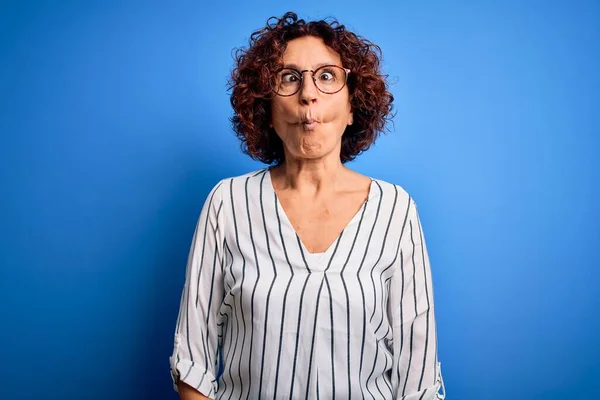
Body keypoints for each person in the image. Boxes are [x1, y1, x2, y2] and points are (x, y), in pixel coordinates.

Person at [169, 11, 445, 400]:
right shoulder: (227, 203)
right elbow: (192, 364)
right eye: (289, 78)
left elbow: (419, 379)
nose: (308, 93)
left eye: (327, 76)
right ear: (267, 108)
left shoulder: (396, 211)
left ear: (353, 107)